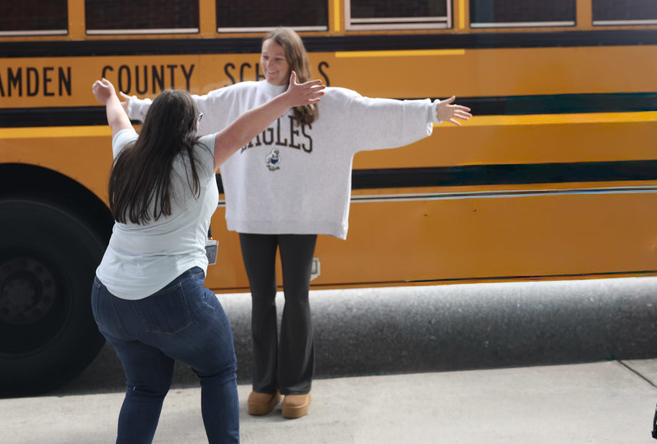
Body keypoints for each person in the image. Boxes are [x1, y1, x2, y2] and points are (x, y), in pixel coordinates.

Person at [120, 27, 471, 420]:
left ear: (295, 62)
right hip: (255, 213)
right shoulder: (242, 96)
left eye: (277, 59)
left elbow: (373, 112)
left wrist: (430, 111)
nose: (268, 65)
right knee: (261, 300)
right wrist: (133, 106)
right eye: (265, 57)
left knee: (297, 298)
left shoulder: (323, 100)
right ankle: (264, 384)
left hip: (301, 215)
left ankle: (297, 386)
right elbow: (192, 108)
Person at [91, 71, 325, 443]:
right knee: (218, 371)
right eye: (197, 120)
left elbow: (118, 121)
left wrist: (109, 98)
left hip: (109, 298)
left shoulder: (127, 154)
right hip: (171, 296)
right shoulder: (197, 157)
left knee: (144, 388)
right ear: (188, 128)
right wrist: (287, 100)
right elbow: (245, 129)